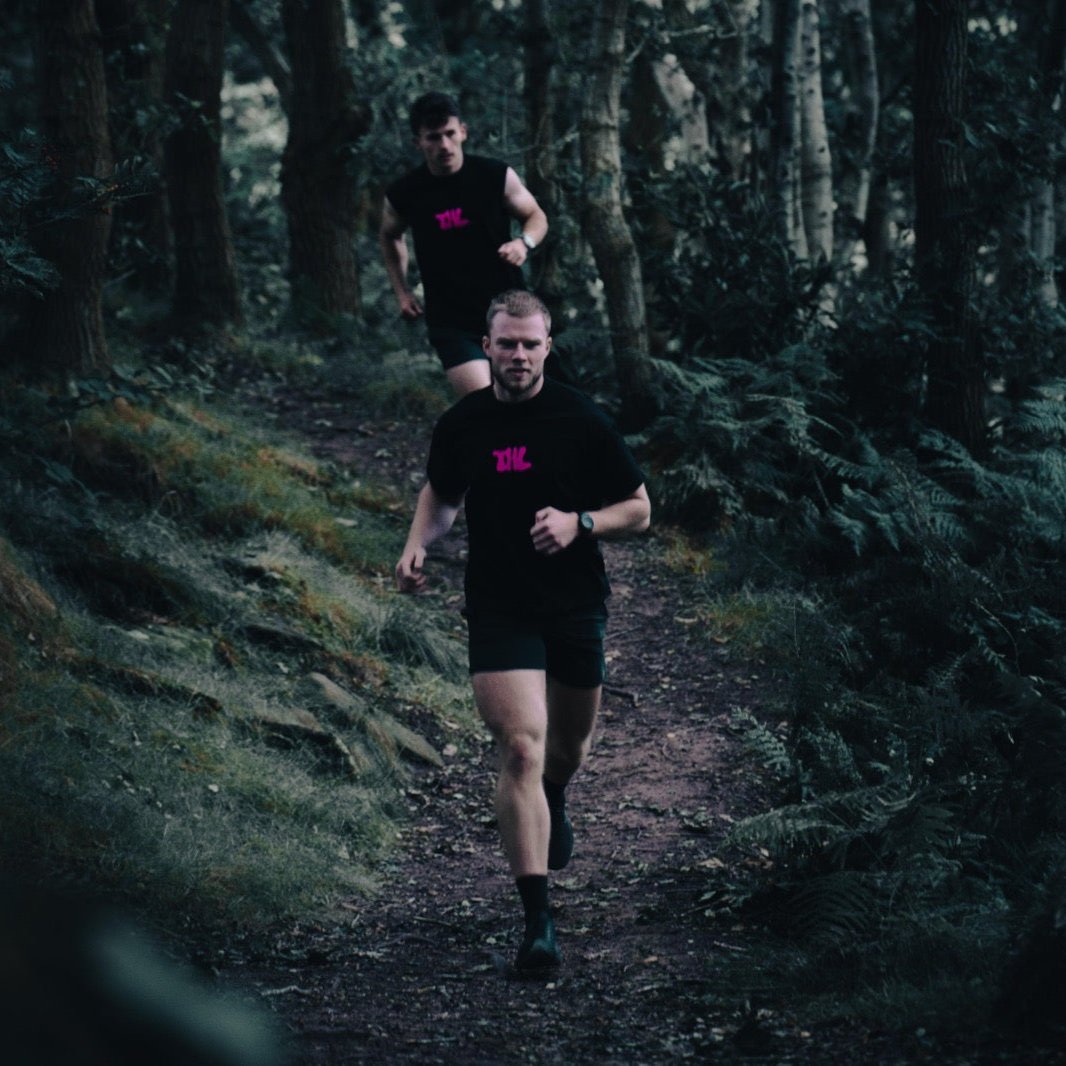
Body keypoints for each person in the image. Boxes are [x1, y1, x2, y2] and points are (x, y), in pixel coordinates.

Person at [395, 290, 651, 974]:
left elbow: (640, 509)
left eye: (530, 344)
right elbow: (443, 493)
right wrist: (419, 543)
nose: (517, 355)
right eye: (505, 343)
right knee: (519, 750)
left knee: (566, 751)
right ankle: (538, 923)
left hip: (573, 605)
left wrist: (581, 523)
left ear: (548, 347)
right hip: (500, 603)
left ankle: (555, 797)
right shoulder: (463, 423)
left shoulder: (579, 418)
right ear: (487, 343)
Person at [379, 92, 549, 398]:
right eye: (433, 137)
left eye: (449, 134)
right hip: (451, 318)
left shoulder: (494, 176)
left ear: (463, 132)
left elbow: (536, 216)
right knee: (483, 404)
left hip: (508, 312)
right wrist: (402, 292)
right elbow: (390, 235)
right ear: (418, 141)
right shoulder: (405, 193)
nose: (444, 145)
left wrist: (524, 243)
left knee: (527, 404)